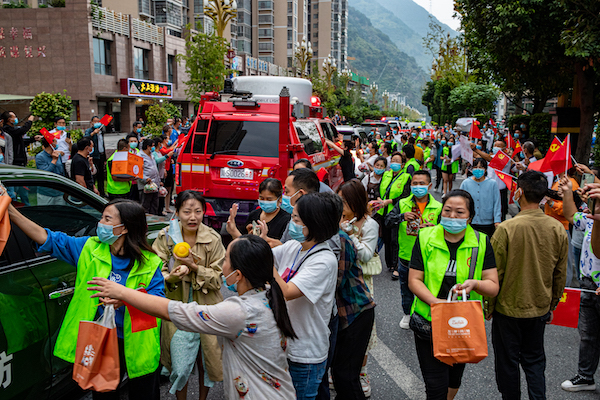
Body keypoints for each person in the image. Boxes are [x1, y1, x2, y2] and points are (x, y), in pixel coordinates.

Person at [89, 233, 297, 399]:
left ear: (239, 274)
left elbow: (174, 311)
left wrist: (122, 292)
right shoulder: (269, 293)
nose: (222, 267)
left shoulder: (239, 312)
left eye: (225, 259)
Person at [5, 197, 165, 400]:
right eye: (102, 218)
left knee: (144, 394)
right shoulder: (89, 248)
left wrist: (122, 298)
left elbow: (158, 302)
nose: (101, 224)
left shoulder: (150, 263)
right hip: (103, 340)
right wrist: (11, 211)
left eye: (107, 219)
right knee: (102, 393)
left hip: (139, 343)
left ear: (123, 228)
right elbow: (47, 238)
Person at [408, 189, 499, 400]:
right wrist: (438, 305)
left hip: (462, 325)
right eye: (447, 211)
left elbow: (493, 286)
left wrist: (475, 284)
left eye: (459, 212)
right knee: (435, 385)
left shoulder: (482, 242)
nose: (452, 216)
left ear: (470, 216)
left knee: (453, 381)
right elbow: (414, 280)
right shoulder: (425, 237)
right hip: (428, 322)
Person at [488, 170, 568, 400]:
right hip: (539, 307)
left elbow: (495, 273)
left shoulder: (506, 228)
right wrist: (552, 304)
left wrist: (489, 306)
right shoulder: (557, 228)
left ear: (519, 192)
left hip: (507, 308)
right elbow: (560, 273)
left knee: (507, 362)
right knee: (534, 361)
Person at [152, 190, 225, 399]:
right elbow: (157, 271)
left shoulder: (213, 238)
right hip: (178, 309)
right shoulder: (166, 237)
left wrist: (194, 267)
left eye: (198, 211)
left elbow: (218, 278)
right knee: (180, 366)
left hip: (206, 308)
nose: (192, 217)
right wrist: (173, 276)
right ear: (177, 213)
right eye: (187, 212)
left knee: (206, 362)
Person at [269, 192, 340, 400]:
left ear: (314, 224)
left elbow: (287, 291)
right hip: (286, 346)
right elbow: (260, 258)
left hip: (305, 354)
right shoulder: (294, 246)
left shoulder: (324, 260)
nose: (291, 222)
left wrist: (266, 261)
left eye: (296, 219)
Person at [336, 180, 379, 398]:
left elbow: (365, 254)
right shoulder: (335, 218)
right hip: (339, 277)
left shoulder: (370, 224)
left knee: (361, 332)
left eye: (344, 200)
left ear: (356, 201)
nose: (340, 204)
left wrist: (351, 234)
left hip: (360, 280)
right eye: (339, 199)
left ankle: (361, 373)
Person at [558, 178, 600, 391]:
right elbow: (571, 216)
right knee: (588, 334)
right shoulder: (591, 218)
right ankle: (585, 377)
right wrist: (567, 192)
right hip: (589, 283)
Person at [386, 170, 442, 325]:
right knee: (406, 288)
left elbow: (446, 231)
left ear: (429, 185)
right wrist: (401, 217)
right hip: (406, 255)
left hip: (430, 257)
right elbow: (388, 221)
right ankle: (407, 313)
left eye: (422, 183)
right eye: (415, 184)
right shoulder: (403, 204)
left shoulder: (438, 207)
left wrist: (434, 228)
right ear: (410, 186)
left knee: (429, 287)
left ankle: (427, 314)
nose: (418, 187)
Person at [378, 151, 412, 273]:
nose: (394, 163)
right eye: (392, 160)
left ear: (402, 165)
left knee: (394, 239)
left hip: (397, 212)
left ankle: (396, 265)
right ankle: (389, 264)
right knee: (386, 238)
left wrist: (391, 201)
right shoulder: (386, 175)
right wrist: (379, 199)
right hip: (383, 211)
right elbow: (379, 188)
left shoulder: (406, 177)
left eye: (397, 161)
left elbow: (406, 195)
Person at [459, 158, 501, 237]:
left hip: (487, 222)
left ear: (485, 170)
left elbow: (497, 203)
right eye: (475, 167)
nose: (478, 169)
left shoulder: (492, 183)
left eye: (481, 167)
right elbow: (460, 201)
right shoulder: (466, 183)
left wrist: (497, 220)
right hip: (470, 221)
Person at [35, 136, 66, 205]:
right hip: (46, 193)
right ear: (51, 144)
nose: (57, 143)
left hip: (59, 191)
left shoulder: (58, 156)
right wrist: (54, 161)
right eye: (55, 141)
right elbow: (45, 174)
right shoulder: (40, 157)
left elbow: (61, 172)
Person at [84, 116, 107, 198]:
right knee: (94, 175)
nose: (97, 123)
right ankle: (93, 191)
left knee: (101, 175)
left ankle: (102, 192)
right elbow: (85, 139)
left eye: (98, 121)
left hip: (101, 155)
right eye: (95, 121)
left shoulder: (101, 131)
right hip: (94, 156)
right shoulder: (89, 131)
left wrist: (104, 157)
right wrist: (93, 133)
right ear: (92, 123)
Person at [139, 138, 161, 215]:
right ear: (148, 146)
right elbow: (138, 171)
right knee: (146, 205)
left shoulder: (152, 155)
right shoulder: (140, 156)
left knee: (155, 204)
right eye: (152, 146)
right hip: (146, 185)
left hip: (154, 184)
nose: (153, 148)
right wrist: (145, 179)